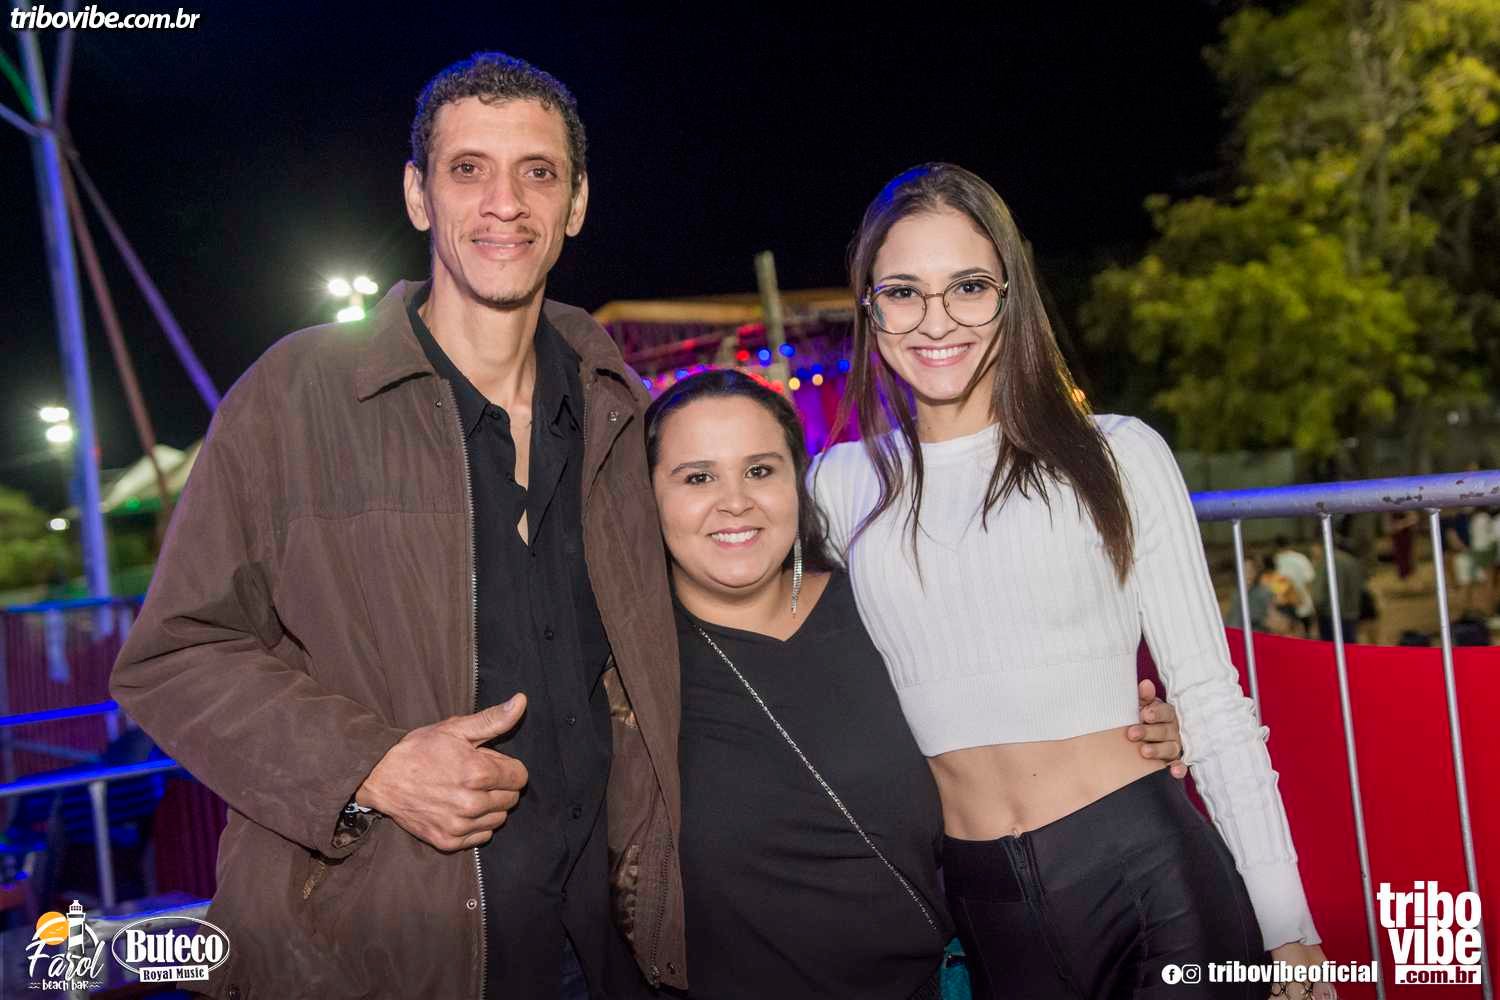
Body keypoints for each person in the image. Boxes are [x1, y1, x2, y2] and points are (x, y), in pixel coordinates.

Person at [110, 53, 683, 999]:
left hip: (600, 946)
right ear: (419, 195)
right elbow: (174, 655)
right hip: (372, 955)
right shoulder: (297, 396)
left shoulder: (619, 408)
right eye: (469, 169)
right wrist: (369, 767)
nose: (505, 203)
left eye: (538, 172)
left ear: (577, 202)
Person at [813, 163, 1332, 998]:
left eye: (969, 287)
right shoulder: (838, 485)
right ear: (869, 308)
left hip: (1152, 881)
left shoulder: (1115, 453)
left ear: (1010, 295)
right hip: (978, 904)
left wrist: (1287, 926)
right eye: (903, 292)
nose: (936, 320)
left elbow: (1208, 696)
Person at [640, 369, 1184, 999]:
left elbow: (1009, 715)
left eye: (760, 470)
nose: (735, 501)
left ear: (797, 484)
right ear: (646, 495)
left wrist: (1128, 730)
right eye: (697, 477)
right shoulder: (624, 668)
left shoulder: (885, 605)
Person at [1312, 535, 1365, 644]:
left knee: (1331, 649)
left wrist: (1314, 614)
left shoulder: (1325, 561)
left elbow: (1318, 595)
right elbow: (1360, 586)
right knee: (1349, 647)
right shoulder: (1351, 560)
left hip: (1329, 615)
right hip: (1351, 614)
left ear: (1319, 546)